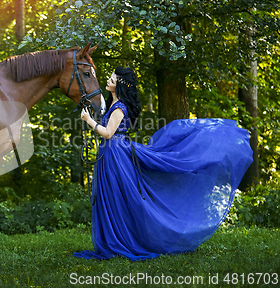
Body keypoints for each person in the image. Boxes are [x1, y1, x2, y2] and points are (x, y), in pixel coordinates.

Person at [75, 67, 253, 261]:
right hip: (110, 153)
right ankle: (113, 239)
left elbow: (108, 133)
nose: (107, 81)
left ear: (121, 84)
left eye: (112, 79)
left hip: (115, 154)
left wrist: (89, 121)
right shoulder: (113, 105)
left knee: (116, 196)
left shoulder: (119, 108)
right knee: (110, 195)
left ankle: (121, 240)